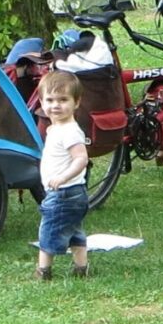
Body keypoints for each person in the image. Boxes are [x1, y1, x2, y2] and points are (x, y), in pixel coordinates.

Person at [34, 71, 92, 280]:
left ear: (76, 103)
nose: (55, 105)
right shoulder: (57, 128)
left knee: (48, 231)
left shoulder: (69, 131)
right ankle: (81, 268)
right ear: (41, 102)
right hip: (71, 194)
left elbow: (81, 159)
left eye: (63, 100)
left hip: (64, 193)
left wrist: (63, 178)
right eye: (49, 100)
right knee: (75, 231)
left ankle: (44, 272)